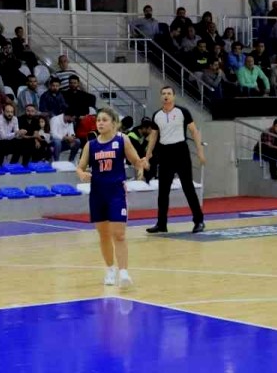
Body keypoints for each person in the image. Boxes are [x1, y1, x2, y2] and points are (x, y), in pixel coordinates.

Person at [76, 108, 148, 288]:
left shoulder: (122, 140)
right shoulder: (91, 145)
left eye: (104, 120)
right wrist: (82, 174)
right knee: (104, 234)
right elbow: (80, 167)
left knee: (119, 234)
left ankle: (123, 272)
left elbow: (135, 161)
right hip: (97, 194)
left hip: (116, 192)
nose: (100, 123)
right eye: (98, 120)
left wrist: (141, 164)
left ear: (114, 123)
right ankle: (110, 269)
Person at [144, 86, 205, 234]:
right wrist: (148, 154)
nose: (166, 96)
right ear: (161, 97)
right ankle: (161, 224)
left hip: (180, 151)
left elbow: (194, 131)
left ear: (174, 96)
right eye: (164, 94)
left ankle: (199, 221)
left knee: (188, 188)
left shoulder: (182, 112)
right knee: (163, 191)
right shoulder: (157, 115)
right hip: (165, 153)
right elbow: (154, 135)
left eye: (169, 93)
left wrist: (200, 151)